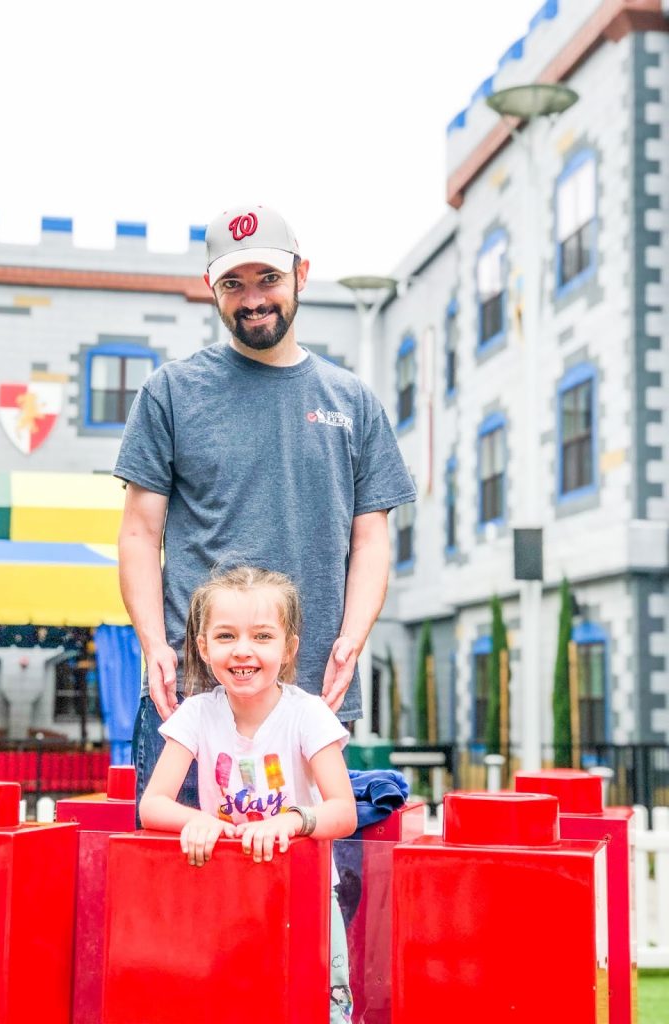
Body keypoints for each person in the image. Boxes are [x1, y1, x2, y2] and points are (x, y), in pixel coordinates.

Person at [116, 203, 416, 809]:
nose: (252, 298)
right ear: (212, 289)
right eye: (234, 284)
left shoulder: (352, 401)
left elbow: (372, 540)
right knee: (176, 886)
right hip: (191, 692)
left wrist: (351, 643)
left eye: (268, 279)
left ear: (301, 275)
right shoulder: (170, 392)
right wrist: (154, 646)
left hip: (311, 694)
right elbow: (139, 536)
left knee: (298, 883)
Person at [139, 565, 356, 1023]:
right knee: (230, 1001)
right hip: (227, 890)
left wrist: (293, 820)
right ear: (203, 647)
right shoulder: (196, 714)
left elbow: (342, 811)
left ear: (288, 647)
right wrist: (199, 821)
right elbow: (152, 804)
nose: (243, 651)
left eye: (261, 636)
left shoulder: (308, 714)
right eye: (225, 636)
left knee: (320, 1005)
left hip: (305, 890)